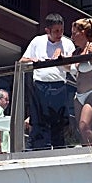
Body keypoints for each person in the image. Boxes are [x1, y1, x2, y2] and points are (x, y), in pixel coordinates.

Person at [21, 13, 75, 151]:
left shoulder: (68, 43)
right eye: (56, 31)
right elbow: (22, 60)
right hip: (40, 86)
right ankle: (38, 151)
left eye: (61, 30)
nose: (59, 34)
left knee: (59, 123)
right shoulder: (37, 41)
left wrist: (62, 60)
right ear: (47, 30)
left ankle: (59, 151)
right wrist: (32, 60)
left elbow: (73, 68)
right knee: (39, 122)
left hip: (59, 86)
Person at [69, 18, 92, 146]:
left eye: (74, 33)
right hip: (78, 96)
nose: (72, 37)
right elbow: (69, 68)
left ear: (83, 32)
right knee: (81, 129)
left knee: (84, 125)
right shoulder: (76, 53)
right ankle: (88, 151)